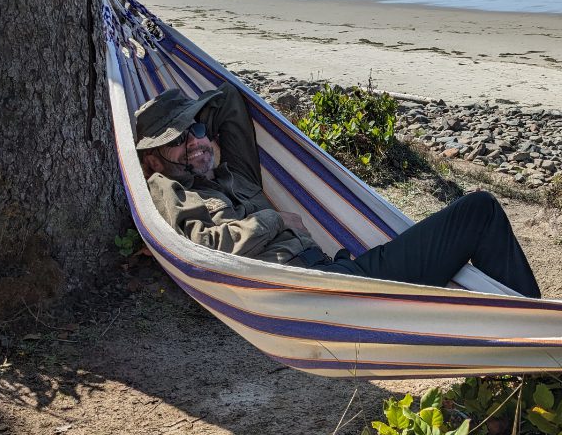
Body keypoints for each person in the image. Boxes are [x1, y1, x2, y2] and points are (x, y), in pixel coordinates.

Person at [135, 84, 541, 298]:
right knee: (480, 211)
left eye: (198, 130)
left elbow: (229, 102)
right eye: (178, 140)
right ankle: (541, 338)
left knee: (477, 213)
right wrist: (273, 219)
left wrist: (195, 139)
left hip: (339, 273)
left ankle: (529, 329)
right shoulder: (164, 187)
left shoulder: (232, 175)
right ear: (151, 159)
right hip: (316, 290)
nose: (195, 141)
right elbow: (206, 251)